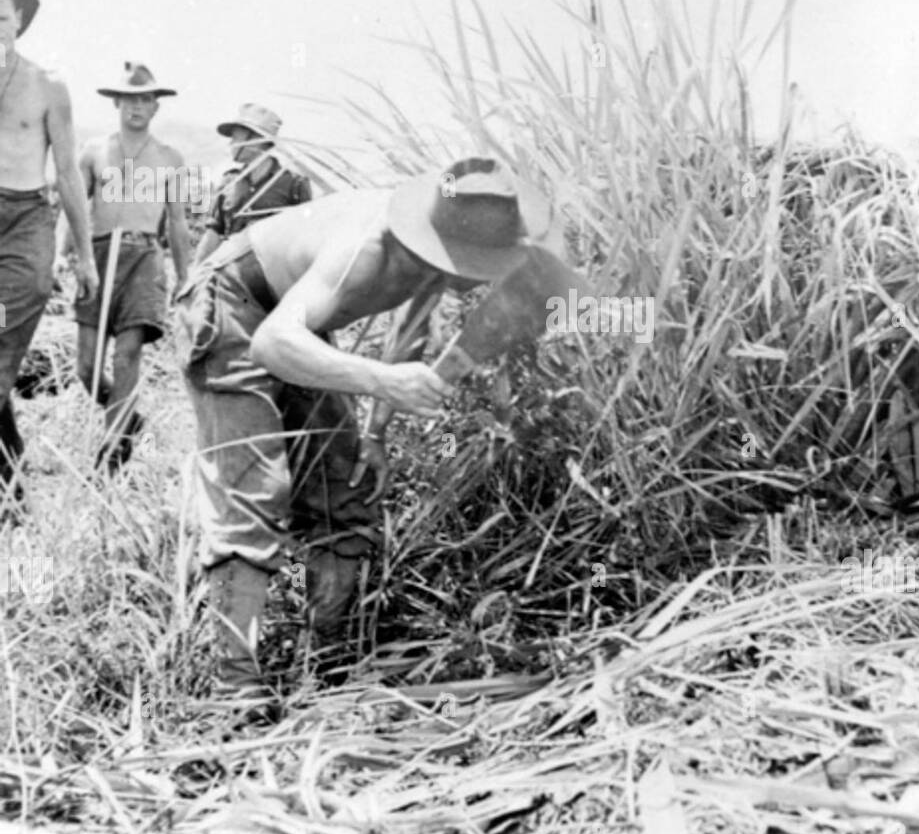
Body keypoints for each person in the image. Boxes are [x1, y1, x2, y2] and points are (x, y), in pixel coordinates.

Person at [175, 156, 562, 710]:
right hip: (234, 308)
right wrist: (381, 380)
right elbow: (273, 344)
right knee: (255, 491)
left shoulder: (431, 256)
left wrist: (375, 433)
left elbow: (411, 327)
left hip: (299, 324)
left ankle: (327, 663)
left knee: (343, 487)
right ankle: (232, 689)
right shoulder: (366, 247)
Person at [0, 0, 98, 508]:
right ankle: (13, 495)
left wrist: (84, 256)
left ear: (19, 22)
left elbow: (67, 173)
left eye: (1, 18)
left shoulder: (47, 85)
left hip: (25, 220)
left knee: (5, 340)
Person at [75, 62, 191, 469]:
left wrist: (186, 278)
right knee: (86, 367)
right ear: (117, 103)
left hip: (144, 258)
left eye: (145, 99)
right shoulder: (93, 151)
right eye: (129, 99)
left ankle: (113, 448)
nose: (137, 107)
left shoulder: (170, 158)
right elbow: (71, 209)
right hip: (100, 255)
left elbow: (178, 224)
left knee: (127, 355)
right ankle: (128, 419)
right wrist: (66, 257)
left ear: (156, 107)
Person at [192, 103, 311, 265]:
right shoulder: (228, 182)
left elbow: (304, 240)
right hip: (232, 274)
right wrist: (194, 275)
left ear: (256, 139)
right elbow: (212, 235)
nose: (230, 144)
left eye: (235, 138)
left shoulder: (294, 184)